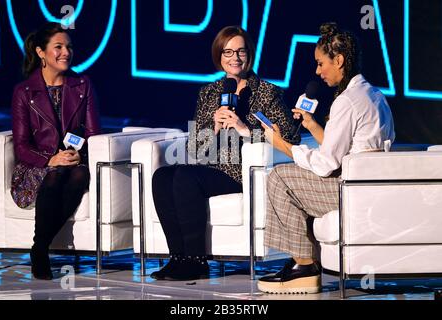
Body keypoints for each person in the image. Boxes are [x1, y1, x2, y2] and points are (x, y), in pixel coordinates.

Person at [151, 25, 299, 281]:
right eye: (228, 52)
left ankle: (197, 260)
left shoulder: (267, 92)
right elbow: (195, 150)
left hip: (243, 172)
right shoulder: (209, 93)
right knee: (162, 176)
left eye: (240, 51)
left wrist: (244, 130)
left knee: (186, 178)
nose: (235, 58)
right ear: (219, 57)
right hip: (211, 167)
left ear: (249, 54)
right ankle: (178, 258)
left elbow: (290, 139)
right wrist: (215, 128)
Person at [257, 22, 395, 294]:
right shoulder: (373, 95)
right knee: (290, 175)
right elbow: (344, 150)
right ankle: (303, 261)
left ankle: (304, 265)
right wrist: (311, 125)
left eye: (321, 63)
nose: (318, 71)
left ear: (339, 60)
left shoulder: (347, 101)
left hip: (350, 191)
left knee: (279, 177)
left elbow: (325, 165)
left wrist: (280, 143)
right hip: (366, 188)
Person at [11, 22, 101, 280]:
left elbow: (93, 135)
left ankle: (39, 248)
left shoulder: (82, 85)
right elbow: (21, 147)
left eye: (69, 47)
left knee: (78, 175)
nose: (66, 53)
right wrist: (51, 158)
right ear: (41, 52)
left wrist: (78, 156)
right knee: (55, 175)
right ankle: (41, 250)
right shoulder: (24, 91)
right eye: (58, 47)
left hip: (73, 162)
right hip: (36, 165)